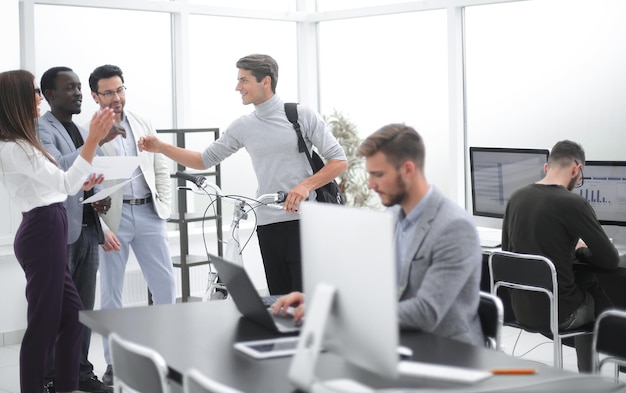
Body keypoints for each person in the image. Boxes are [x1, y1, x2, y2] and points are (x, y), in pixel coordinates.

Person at [138, 54, 347, 296]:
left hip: (305, 221)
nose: (238, 87)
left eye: (244, 80)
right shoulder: (243, 126)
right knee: (279, 299)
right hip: (267, 223)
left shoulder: (300, 115)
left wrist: (305, 186)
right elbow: (202, 160)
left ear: (265, 81)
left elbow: (338, 160)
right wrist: (161, 147)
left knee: (307, 300)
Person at [273, 123, 484, 346]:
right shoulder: (393, 216)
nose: (371, 185)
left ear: (408, 170)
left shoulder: (454, 227)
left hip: (447, 351)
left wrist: (340, 314)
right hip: (397, 341)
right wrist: (323, 302)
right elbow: (369, 287)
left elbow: (427, 312)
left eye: (378, 175)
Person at [0, 69, 114, 393]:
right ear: (17, 99)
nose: (39, 97)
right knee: (43, 325)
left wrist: (85, 180)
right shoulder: (15, 147)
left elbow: (63, 185)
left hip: (48, 224)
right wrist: (93, 139)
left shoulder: (23, 142)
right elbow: (64, 181)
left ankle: (65, 386)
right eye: (35, 91)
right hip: (42, 229)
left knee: (73, 315)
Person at [88, 64, 176, 385]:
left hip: (150, 214)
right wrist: (101, 226)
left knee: (165, 285)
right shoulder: (90, 132)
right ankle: (114, 364)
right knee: (112, 292)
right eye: (109, 92)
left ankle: (167, 355)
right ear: (95, 96)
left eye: (120, 89)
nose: (116, 97)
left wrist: (163, 205)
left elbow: (160, 166)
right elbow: (87, 183)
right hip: (114, 218)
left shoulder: (143, 122)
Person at [501, 139, 619, 372]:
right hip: (559, 315)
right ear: (577, 169)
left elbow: (507, 252)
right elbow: (610, 259)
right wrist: (581, 250)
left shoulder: (516, 197)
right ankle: (592, 376)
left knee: (583, 284)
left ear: (547, 168)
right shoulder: (573, 203)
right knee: (598, 293)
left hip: (520, 310)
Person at [38, 66, 121, 393]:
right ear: (50, 95)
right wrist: (94, 140)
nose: (77, 94)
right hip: (60, 230)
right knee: (57, 309)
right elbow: (58, 169)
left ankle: (81, 372)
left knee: (83, 310)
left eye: (78, 88)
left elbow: (88, 175)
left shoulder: (79, 129)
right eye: (69, 88)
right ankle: (50, 377)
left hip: (87, 226)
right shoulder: (41, 128)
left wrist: (98, 199)